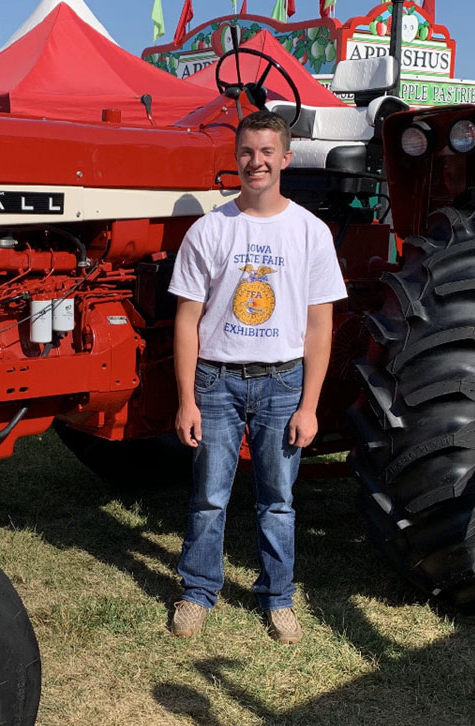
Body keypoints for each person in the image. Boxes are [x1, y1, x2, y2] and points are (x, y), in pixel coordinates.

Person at [167, 110, 346, 644]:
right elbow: (187, 320)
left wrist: (310, 405)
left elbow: (319, 326)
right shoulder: (210, 229)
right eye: (247, 152)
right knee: (210, 495)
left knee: (279, 499)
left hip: (282, 384)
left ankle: (278, 596)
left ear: (286, 158)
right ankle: (197, 593)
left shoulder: (310, 233)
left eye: (267, 152)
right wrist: (186, 400)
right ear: (236, 157)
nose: (256, 162)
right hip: (216, 381)